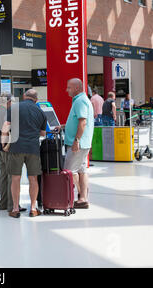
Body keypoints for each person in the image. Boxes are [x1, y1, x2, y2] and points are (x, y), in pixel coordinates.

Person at [1, 89, 47, 218]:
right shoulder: (41, 112)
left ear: (24, 96)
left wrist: (4, 144)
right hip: (33, 149)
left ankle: (15, 208)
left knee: (15, 178)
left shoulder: (14, 108)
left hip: (16, 147)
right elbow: (42, 133)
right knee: (33, 178)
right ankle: (33, 208)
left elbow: (5, 128)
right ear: (36, 99)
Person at [55, 78, 94, 209]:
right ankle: (82, 198)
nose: (67, 90)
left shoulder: (80, 101)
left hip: (78, 143)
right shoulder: (82, 100)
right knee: (82, 170)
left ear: (77, 88)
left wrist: (76, 140)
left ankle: (66, 200)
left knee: (68, 171)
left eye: (69, 87)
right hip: (84, 143)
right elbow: (78, 121)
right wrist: (64, 126)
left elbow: (83, 122)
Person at [0, 92, 26, 213]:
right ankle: (12, 205)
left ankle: (4, 203)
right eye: (12, 101)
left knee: (3, 175)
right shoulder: (7, 112)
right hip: (7, 147)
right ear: (7, 102)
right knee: (12, 175)